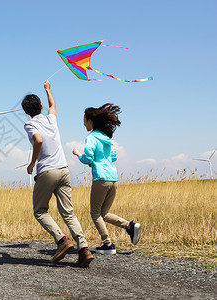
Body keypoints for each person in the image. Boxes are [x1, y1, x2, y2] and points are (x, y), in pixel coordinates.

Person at [22, 80, 93, 267]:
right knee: (68, 213)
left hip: (47, 171)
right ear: (40, 106)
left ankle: (62, 241)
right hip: (63, 169)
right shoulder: (51, 118)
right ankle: (84, 249)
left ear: (26, 111)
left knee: (40, 211)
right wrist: (47, 90)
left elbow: (37, 141)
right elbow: (53, 105)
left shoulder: (30, 124)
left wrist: (32, 164)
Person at [72, 103, 141, 255]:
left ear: (90, 120)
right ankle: (130, 226)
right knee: (104, 213)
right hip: (113, 178)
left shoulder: (91, 137)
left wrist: (78, 154)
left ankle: (108, 244)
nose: (83, 122)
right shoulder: (106, 138)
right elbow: (114, 156)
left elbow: (88, 157)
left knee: (95, 213)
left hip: (101, 179)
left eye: (84, 119)